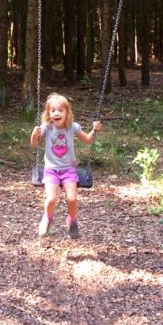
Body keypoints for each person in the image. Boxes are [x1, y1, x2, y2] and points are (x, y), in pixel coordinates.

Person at [30, 93, 101, 239]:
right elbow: (34, 144)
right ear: (48, 114)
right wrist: (34, 133)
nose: (56, 113)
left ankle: (72, 220)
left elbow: (88, 140)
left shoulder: (72, 127)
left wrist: (94, 130)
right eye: (53, 110)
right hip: (51, 170)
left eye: (60, 110)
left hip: (68, 170)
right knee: (51, 199)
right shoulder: (47, 127)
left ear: (67, 113)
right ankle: (47, 218)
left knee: (72, 199)